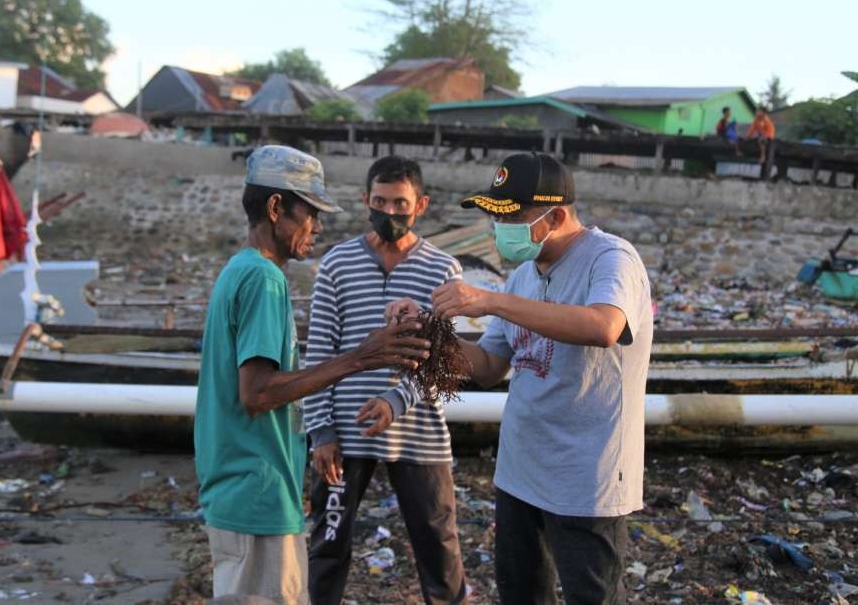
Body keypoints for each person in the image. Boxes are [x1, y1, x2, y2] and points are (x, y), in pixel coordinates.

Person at [390, 152, 653, 605]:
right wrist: (426, 335)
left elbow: (603, 326)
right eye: (496, 215)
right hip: (520, 473)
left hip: (585, 481)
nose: (500, 227)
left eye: (513, 215)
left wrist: (490, 301)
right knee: (521, 594)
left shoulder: (611, 259)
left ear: (558, 214)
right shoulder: (520, 278)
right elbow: (490, 365)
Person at [194, 145, 431, 605]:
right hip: (255, 494)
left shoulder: (239, 270)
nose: (318, 227)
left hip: (239, 490)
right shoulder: (264, 280)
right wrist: (361, 357)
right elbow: (257, 393)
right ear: (276, 207)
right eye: (311, 213)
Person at [303, 156, 467, 605]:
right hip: (344, 433)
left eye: (400, 203)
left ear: (421, 205)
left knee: (439, 547)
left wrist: (396, 401)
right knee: (328, 546)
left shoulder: (443, 270)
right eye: (379, 202)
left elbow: (442, 364)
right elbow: (319, 352)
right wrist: (321, 432)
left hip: (419, 434)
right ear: (364, 200)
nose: (389, 212)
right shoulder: (337, 264)